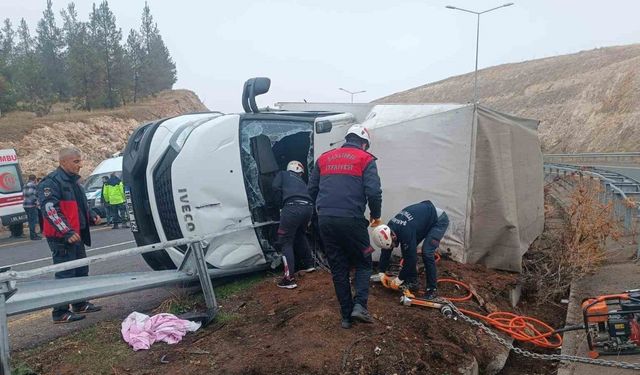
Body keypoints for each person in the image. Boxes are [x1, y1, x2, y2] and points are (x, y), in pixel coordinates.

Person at [308, 124, 382, 329]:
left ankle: (346, 317)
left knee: (338, 267)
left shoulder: (323, 158)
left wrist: (318, 215)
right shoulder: (365, 159)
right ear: (364, 143)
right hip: (351, 220)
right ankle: (360, 306)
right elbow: (374, 192)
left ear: (347, 138)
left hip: (326, 220)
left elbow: (311, 190)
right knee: (364, 262)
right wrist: (375, 216)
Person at [38, 147, 103, 323]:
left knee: (81, 270)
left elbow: (81, 205)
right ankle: (59, 312)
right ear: (63, 162)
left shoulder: (74, 182)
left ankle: (79, 303)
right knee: (65, 274)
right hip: (62, 237)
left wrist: (91, 215)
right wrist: (66, 231)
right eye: (76, 161)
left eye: (80, 161)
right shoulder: (51, 183)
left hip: (77, 234)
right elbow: (50, 210)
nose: (80, 165)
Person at [372, 200, 450, 300]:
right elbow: (386, 250)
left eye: (392, 245)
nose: (392, 247)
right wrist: (381, 271)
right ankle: (413, 281)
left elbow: (411, 259)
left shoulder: (405, 232)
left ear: (393, 237)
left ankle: (432, 289)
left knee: (427, 252)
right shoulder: (388, 228)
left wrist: (399, 279)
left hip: (438, 220)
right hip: (422, 219)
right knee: (407, 251)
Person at [271, 160, 315, 289]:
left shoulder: (283, 174)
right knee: (300, 235)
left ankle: (288, 279)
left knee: (285, 242)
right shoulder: (301, 182)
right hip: (308, 208)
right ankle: (309, 264)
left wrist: (279, 204)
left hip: (292, 208)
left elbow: (275, 187)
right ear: (300, 172)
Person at [22, 174, 41, 240]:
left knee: (30, 221)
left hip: (25, 205)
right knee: (34, 221)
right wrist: (36, 202)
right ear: (35, 179)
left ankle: (32, 235)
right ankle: (33, 236)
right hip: (31, 205)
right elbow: (33, 195)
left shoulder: (25, 185)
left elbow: (24, 194)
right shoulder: (33, 185)